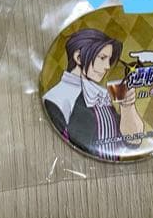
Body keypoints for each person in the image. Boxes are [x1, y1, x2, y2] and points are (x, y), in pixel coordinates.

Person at [43, 28, 146, 160]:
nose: (107, 66)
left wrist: (127, 106)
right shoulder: (58, 98)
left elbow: (133, 141)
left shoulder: (100, 95)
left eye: (109, 59)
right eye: (102, 58)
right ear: (79, 57)